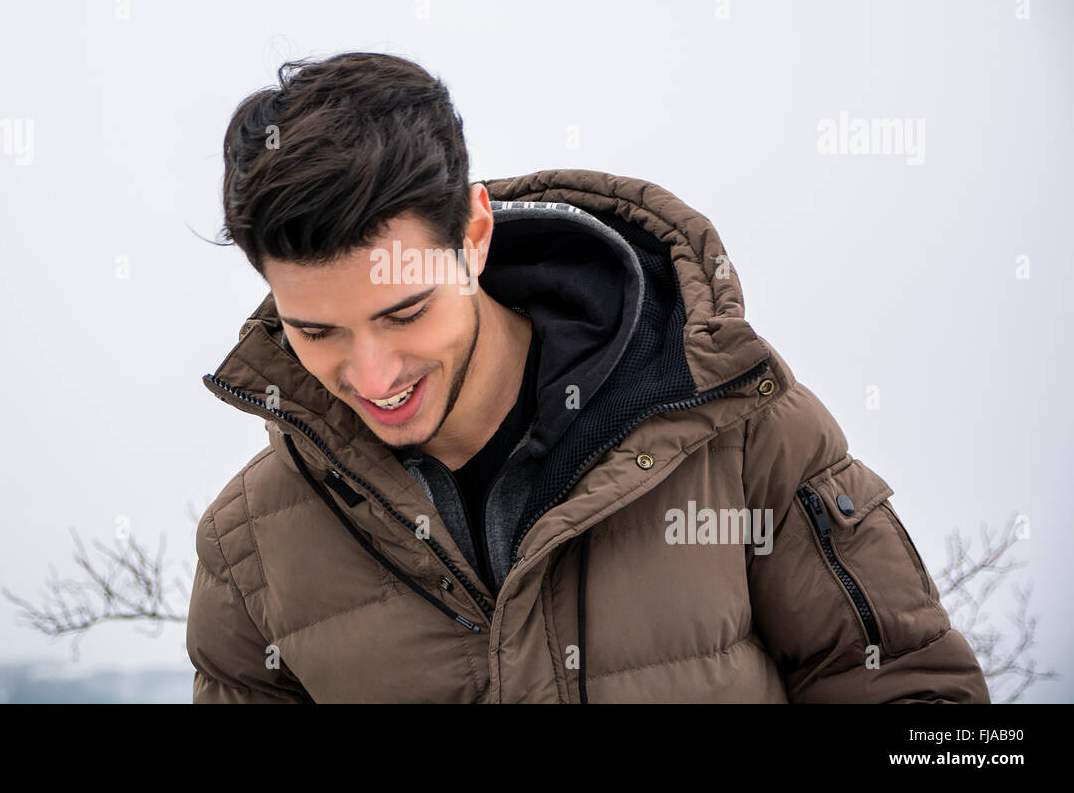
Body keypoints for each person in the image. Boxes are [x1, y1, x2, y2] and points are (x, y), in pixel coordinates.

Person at [185, 51, 989, 703]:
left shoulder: (736, 431)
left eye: (404, 314)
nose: (372, 374)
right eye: (316, 331)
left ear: (473, 237)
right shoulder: (250, 548)